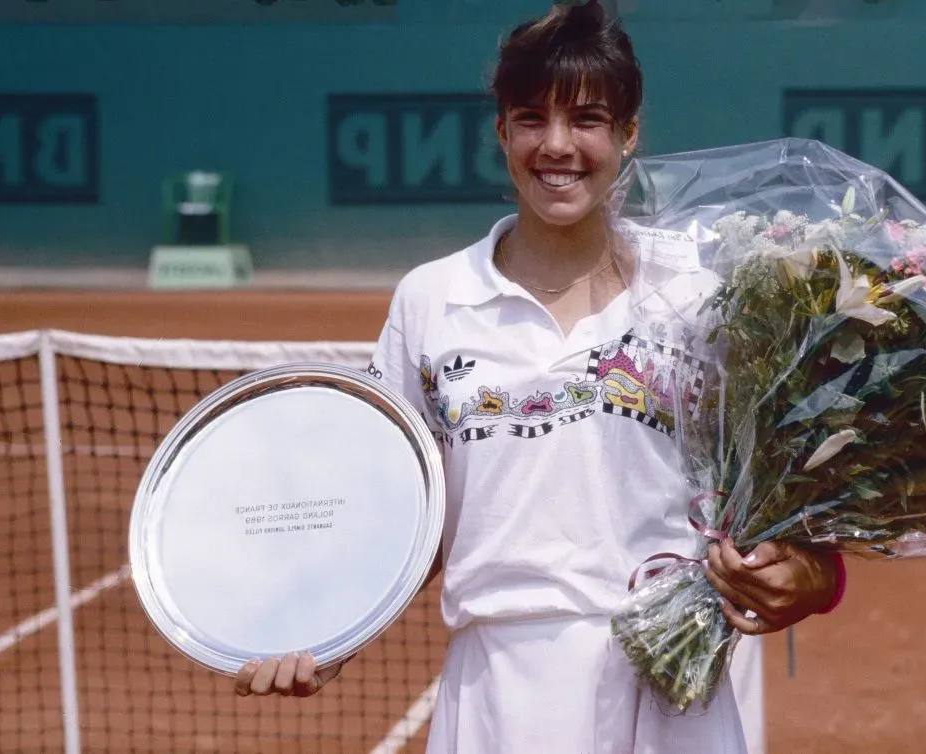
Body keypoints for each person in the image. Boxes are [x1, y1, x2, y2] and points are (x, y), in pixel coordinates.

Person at [234, 2, 845, 751]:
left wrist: (812, 581)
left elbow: (798, 510)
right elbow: (402, 521)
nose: (558, 146)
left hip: (676, 687)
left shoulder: (702, 290)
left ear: (629, 134)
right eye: (531, 119)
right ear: (501, 132)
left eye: (587, 119)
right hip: (499, 698)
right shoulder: (431, 300)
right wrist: (329, 633)